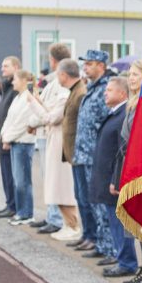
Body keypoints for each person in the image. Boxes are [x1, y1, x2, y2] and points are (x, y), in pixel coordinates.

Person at [28, 46, 81, 239]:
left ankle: (70, 223)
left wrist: (33, 104)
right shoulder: (56, 84)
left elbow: (53, 116)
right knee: (53, 182)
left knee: (61, 184)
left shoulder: (65, 89)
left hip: (61, 139)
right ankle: (61, 220)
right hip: (53, 137)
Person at [110, 58, 142, 283]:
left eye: (136, 74)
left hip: (139, 169)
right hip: (129, 166)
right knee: (135, 224)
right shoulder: (132, 103)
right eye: (131, 74)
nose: (131, 78)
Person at [73, 49, 114, 261]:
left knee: (100, 203)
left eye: (89, 63)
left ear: (101, 65)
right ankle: (99, 241)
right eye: (85, 63)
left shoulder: (107, 88)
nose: (85, 67)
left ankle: (109, 247)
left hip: (95, 155)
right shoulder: (92, 87)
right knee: (88, 200)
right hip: (83, 153)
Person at [91, 76, 134, 276]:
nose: (105, 93)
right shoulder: (114, 114)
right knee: (113, 222)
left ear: (122, 94)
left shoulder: (122, 115)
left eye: (109, 90)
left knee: (119, 224)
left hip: (114, 181)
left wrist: (116, 179)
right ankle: (121, 258)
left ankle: (127, 262)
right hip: (108, 179)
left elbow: (122, 151)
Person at [0, 70, 38, 225]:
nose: (12, 82)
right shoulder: (18, 97)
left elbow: (22, 123)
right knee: (18, 180)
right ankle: (21, 212)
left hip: (23, 143)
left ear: (23, 80)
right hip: (16, 142)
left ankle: (26, 213)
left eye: (15, 79)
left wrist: (7, 138)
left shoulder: (28, 98)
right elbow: (9, 119)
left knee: (23, 181)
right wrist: (4, 135)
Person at [58, 58, 89, 242]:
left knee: (84, 198)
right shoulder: (74, 91)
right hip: (74, 154)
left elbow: (81, 126)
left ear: (63, 74)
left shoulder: (79, 93)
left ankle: (89, 236)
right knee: (80, 196)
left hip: (80, 153)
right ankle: (87, 235)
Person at [0, 56, 21, 219]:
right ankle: (9, 203)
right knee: (5, 174)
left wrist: (8, 138)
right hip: (3, 137)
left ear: (16, 67)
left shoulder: (17, 88)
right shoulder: (7, 86)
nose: (2, 69)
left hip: (10, 139)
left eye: (6, 66)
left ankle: (14, 205)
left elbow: (15, 116)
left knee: (12, 175)